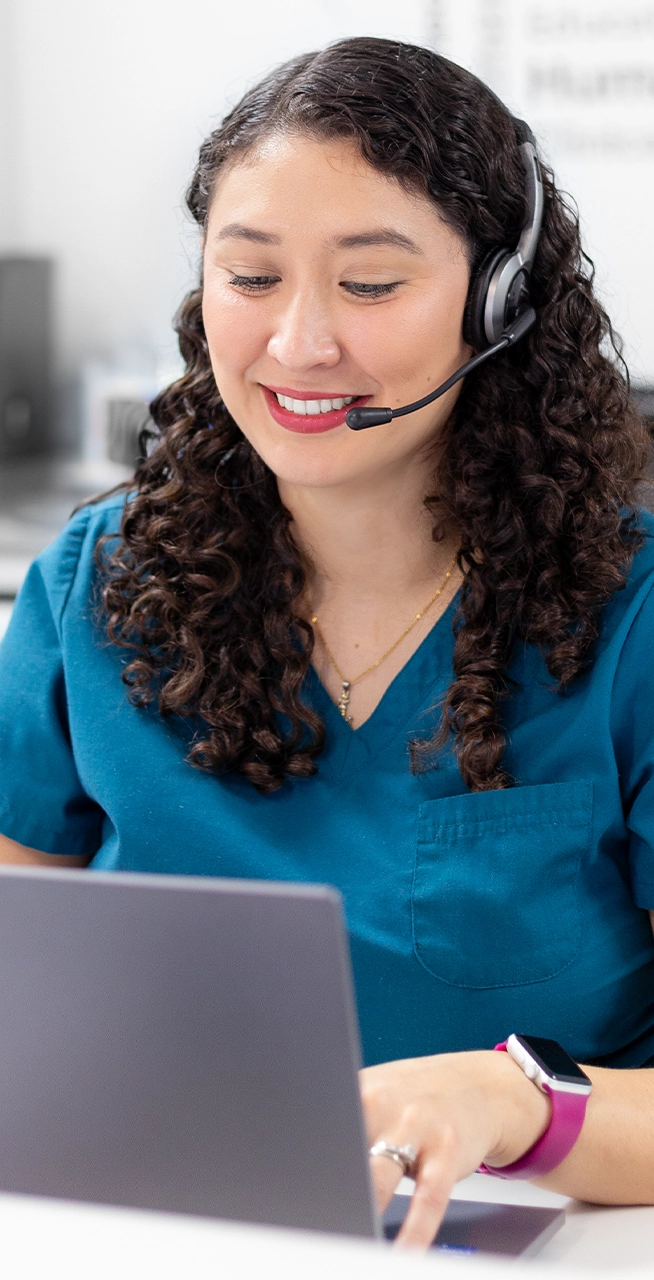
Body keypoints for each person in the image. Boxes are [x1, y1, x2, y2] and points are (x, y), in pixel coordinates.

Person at [1, 35, 654, 1247]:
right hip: (151, 1223)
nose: (299, 345)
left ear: (497, 303)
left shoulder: (636, 616)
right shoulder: (90, 588)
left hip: (543, 1235)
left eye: (369, 284)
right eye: (250, 278)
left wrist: (522, 1105)